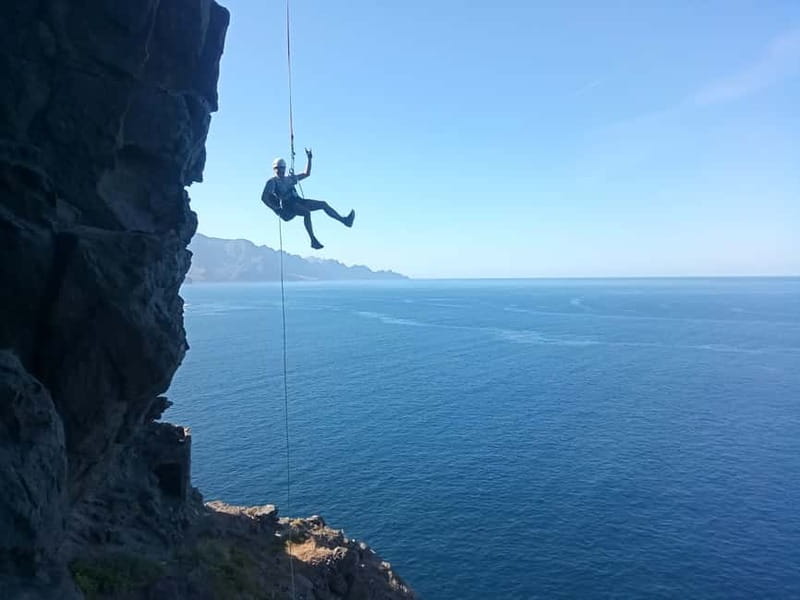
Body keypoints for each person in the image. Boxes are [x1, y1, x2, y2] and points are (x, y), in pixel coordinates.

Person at [261, 148, 355, 249]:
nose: (280, 170)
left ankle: (345, 221)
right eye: (278, 168)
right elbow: (264, 197)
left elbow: (306, 173)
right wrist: (276, 209)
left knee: (323, 204)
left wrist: (309, 159)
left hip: (298, 201)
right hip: (288, 205)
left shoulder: (290, 179)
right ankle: (313, 240)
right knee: (306, 213)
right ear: (274, 169)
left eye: (282, 168)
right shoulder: (272, 182)